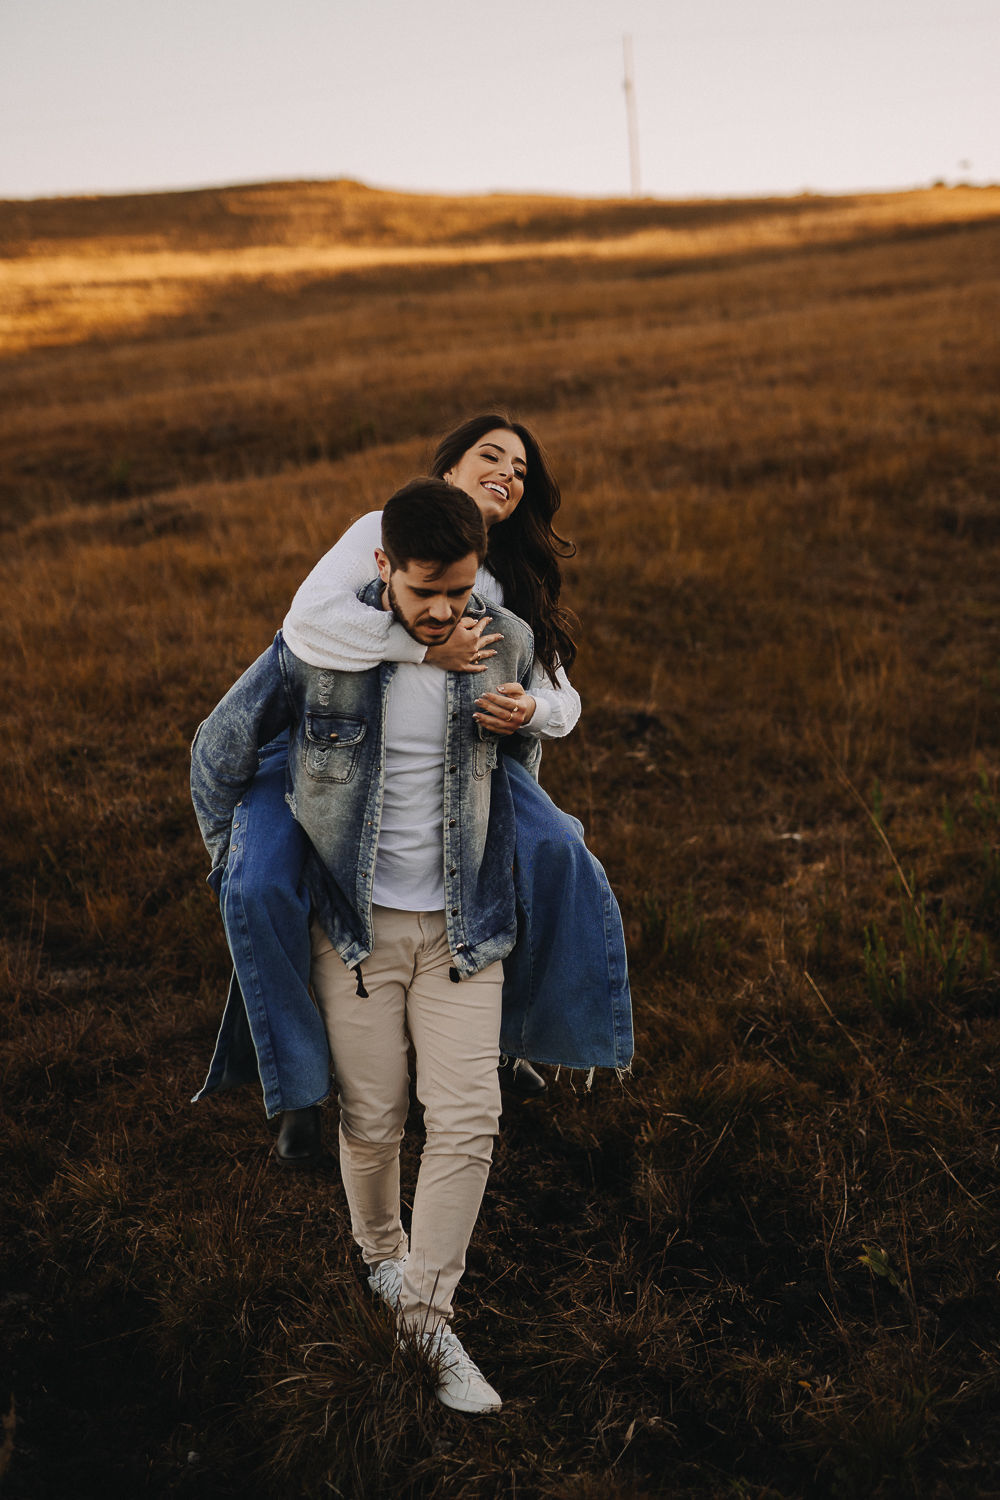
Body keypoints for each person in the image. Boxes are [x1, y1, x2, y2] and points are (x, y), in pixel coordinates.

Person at [192, 412, 633, 1164]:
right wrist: (420, 647)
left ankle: (511, 1036)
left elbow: (559, 694)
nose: (510, 473)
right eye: (491, 456)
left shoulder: (513, 594)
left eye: (522, 468)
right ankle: (297, 1091)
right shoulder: (382, 529)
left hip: (474, 756)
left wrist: (528, 707)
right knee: (258, 882)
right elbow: (307, 627)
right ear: (449, 470)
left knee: (556, 851)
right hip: (334, 746)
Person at [192, 480, 535, 1411]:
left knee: (469, 1119)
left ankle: (427, 1319)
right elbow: (217, 747)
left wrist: (530, 721)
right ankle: (380, 1258)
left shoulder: (504, 640)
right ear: (382, 567)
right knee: (374, 1122)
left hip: (466, 931)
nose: (443, 611)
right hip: (354, 933)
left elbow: (518, 786)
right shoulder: (320, 654)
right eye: (425, 590)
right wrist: (244, 866)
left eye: (460, 591)